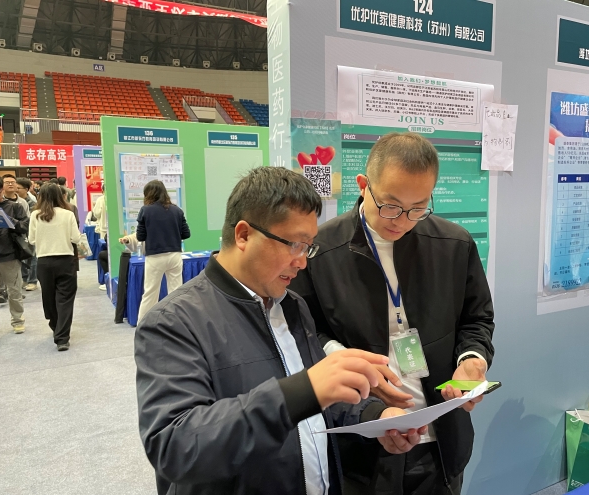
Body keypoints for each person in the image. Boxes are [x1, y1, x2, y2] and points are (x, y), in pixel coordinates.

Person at [135, 167, 425, 495]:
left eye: (308, 247)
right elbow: (176, 447)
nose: (302, 262)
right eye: (294, 245)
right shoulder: (173, 322)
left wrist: (375, 417)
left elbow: (319, 403)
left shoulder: (292, 306)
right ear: (243, 235)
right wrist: (302, 390)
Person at [290, 133, 495, 495]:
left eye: (418, 208)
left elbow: (476, 318)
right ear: (364, 185)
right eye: (391, 205)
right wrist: (347, 362)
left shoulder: (453, 244)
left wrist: (472, 360)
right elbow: (304, 334)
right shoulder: (320, 251)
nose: (402, 220)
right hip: (363, 437)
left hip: (440, 436)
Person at [28, 183, 81, 351]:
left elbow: (31, 240)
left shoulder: (35, 215)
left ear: (41, 196)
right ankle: (62, 338)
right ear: (60, 195)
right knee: (65, 299)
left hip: (44, 262)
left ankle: (55, 326)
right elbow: (76, 238)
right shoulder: (68, 214)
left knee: (49, 298)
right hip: (66, 261)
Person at [135, 180, 191, 323]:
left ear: (148, 194)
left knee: (150, 293)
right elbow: (186, 234)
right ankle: (178, 324)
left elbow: (140, 236)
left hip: (154, 257)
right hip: (175, 255)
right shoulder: (177, 210)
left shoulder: (145, 210)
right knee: (176, 292)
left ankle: (143, 324)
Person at [0, 175, 29, 344]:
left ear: (2, 190)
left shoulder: (15, 207)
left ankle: (18, 321)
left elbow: (25, 227)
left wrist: (9, 221)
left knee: (14, 293)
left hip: (10, 256)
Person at [16, 178, 38, 291]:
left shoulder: (33, 204)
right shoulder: (15, 202)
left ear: (26, 189)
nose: (16, 190)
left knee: (33, 257)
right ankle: (24, 278)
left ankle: (33, 281)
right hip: (19, 234)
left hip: (30, 234)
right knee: (22, 257)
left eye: (18, 188)